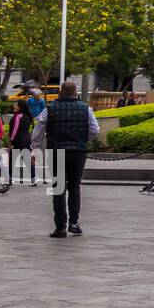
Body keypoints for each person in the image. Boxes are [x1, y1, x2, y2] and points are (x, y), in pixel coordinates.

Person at [31, 80, 100, 237]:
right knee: (75, 187)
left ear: (60, 92)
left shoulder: (50, 108)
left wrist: (34, 149)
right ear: (76, 93)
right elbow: (95, 129)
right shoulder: (85, 109)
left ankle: (60, 227)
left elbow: (38, 131)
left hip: (56, 152)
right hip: (78, 152)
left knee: (59, 189)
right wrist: (82, 140)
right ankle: (74, 223)